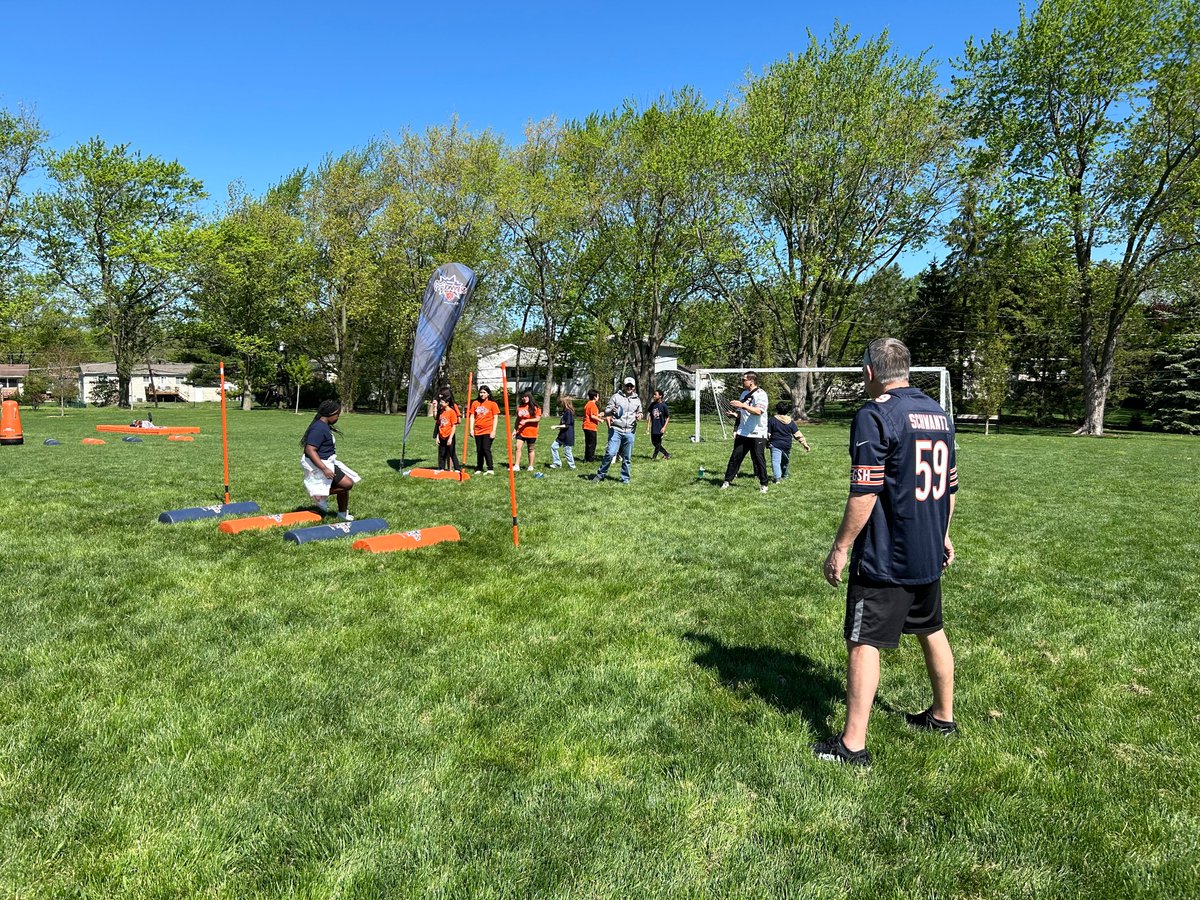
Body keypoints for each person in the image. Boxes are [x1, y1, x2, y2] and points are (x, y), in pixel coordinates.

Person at [816, 337, 959, 767]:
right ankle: (942, 716)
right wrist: (943, 534)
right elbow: (949, 485)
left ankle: (852, 746)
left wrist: (840, 548)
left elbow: (865, 489)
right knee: (930, 628)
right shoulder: (939, 414)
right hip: (927, 549)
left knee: (863, 642)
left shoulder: (874, 414)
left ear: (871, 372)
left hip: (885, 553)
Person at [300, 399, 359, 520]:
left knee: (345, 484)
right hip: (320, 463)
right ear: (330, 413)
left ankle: (342, 514)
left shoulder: (323, 425)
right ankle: (319, 495)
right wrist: (324, 469)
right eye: (337, 414)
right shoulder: (318, 428)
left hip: (328, 461)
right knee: (347, 484)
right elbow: (310, 450)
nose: (338, 417)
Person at [720, 371, 770, 493]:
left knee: (759, 459)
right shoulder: (744, 393)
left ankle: (764, 484)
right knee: (735, 457)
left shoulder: (761, 394)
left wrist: (742, 405)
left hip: (757, 432)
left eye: (744, 380)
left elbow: (758, 411)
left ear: (751, 381)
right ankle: (727, 481)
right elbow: (742, 412)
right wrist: (735, 414)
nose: (742, 382)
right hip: (743, 431)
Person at [593, 377, 643, 484]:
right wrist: (612, 410)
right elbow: (606, 411)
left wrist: (639, 415)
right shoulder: (616, 397)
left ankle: (625, 479)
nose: (629, 387)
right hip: (616, 429)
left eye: (631, 386)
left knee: (627, 457)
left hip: (630, 431)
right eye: (627, 385)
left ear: (634, 387)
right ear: (624, 386)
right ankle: (600, 474)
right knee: (610, 453)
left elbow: (640, 412)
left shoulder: (637, 400)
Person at [767, 400, 810, 483]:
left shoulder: (772, 420)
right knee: (785, 461)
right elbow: (797, 434)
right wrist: (805, 444)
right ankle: (785, 475)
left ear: (777, 409)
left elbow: (768, 434)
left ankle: (777, 478)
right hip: (787, 445)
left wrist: (766, 442)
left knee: (775, 462)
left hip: (775, 444)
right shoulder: (791, 422)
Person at [468, 385, 499, 475]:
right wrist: (471, 429)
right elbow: (472, 416)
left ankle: (490, 468)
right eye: (481, 392)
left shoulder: (492, 404)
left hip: (488, 430)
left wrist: (493, 431)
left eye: (484, 392)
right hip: (478, 430)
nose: (482, 394)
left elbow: (495, 417)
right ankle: (479, 467)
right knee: (479, 450)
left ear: (488, 394)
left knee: (486, 448)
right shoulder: (475, 403)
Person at [513, 391, 542, 471]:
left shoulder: (536, 407)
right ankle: (516, 465)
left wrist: (526, 421)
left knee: (530, 449)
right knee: (517, 447)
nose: (524, 398)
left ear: (529, 397)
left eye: (526, 397)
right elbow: (517, 419)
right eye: (522, 397)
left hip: (531, 432)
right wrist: (515, 430)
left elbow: (537, 419)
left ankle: (530, 466)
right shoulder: (520, 407)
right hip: (521, 431)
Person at [549, 396, 576, 470]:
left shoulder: (569, 412)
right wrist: (558, 427)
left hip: (567, 435)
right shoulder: (565, 412)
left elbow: (567, 425)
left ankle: (572, 466)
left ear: (566, 403)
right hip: (562, 435)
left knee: (567, 451)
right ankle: (557, 463)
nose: (561, 404)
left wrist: (556, 426)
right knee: (553, 447)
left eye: (562, 402)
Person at [435, 396, 461, 473]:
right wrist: (437, 437)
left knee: (452, 453)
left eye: (442, 402)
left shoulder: (452, 412)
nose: (440, 403)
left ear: (447, 403)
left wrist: (450, 438)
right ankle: (442, 468)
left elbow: (454, 426)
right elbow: (438, 424)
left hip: (449, 436)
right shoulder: (441, 411)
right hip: (441, 436)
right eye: (440, 402)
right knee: (442, 454)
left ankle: (457, 469)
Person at [646, 389, 671, 460]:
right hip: (654, 427)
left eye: (655, 395)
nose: (654, 396)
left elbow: (668, 417)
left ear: (660, 396)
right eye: (654, 394)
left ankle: (654, 457)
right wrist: (648, 427)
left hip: (660, 427)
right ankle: (667, 454)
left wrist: (664, 427)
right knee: (654, 442)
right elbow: (650, 416)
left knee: (658, 443)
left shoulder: (663, 406)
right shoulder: (652, 405)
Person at [582, 390, 602, 462]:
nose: (598, 397)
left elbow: (590, 414)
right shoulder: (593, 405)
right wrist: (600, 420)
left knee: (588, 443)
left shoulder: (588, 404)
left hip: (586, 426)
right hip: (590, 426)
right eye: (598, 396)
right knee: (592, 443)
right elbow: (592, 416)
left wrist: (599, 415)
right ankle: (590, 458)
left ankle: (586, 457)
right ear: (594, 397)